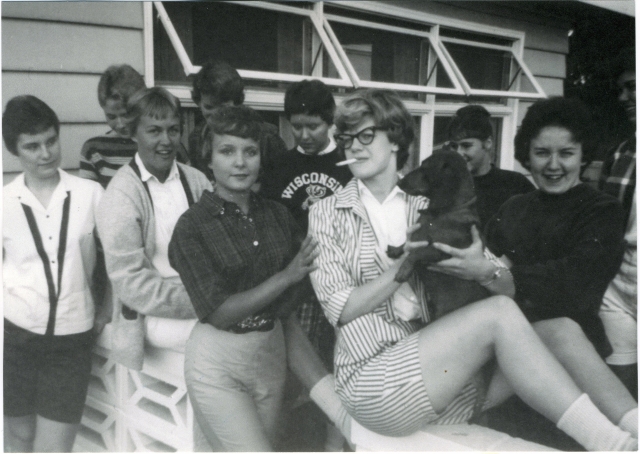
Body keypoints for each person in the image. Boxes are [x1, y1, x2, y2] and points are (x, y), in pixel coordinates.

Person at [309, 89, 638, 451]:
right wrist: (404, 265)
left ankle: (635, 429)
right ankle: (613, 445)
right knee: (497, 313)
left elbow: (487, 268)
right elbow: (339, 309)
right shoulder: (327, 211)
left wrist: (484, 268)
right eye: (344, 138)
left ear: (396, 140)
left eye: (365, 135)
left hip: (449, 389)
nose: (352, 147)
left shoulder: (430, 200)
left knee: (560, 330)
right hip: (377, 384)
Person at [168, 105, 319, 451]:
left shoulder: (278, 215)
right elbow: (218, 311)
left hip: (269, 357)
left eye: (250, 152)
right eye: (227, 151)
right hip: (217, 363)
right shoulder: (192, 226)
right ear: (208, 159)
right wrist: (285, 277)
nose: (240, 162)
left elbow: (301, 286)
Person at [3, 95, 108, 452]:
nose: (45, 153)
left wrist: (105, 308)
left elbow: (114, 261)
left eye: (51, 141)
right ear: (14, 150)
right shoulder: (3, 204)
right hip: (16, 337)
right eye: (32, 146)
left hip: (71, 340)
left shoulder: (90, 194)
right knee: (18, 438)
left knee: (54, 448)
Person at [260, 79, 352, 450]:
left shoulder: (346, 164)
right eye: (296, 126)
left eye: (312, 126)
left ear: (329, 121)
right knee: (292, 377)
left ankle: (334, 440)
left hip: (338, 281)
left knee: (338, 368)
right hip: (296, 282)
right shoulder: (281, 164)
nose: (304, 134)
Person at [96, 87, 212, 372]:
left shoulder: (196, 181)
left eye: (173, 130)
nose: (166, 141)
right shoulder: (122, 193)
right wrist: (201, 302)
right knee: (227, 340)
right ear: (134, 133)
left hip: (204, 302)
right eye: (154, 131)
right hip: (152, 314)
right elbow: (130, 283)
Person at [599, 47, 637, 398]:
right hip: (621, 279)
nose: (623, 97)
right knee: (621, 380)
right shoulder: (620, 152)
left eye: (632, 87)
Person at [188, 60, 287, 182]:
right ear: (198, 103)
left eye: (223, 107)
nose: (215, 114)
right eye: (208, 107)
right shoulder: (197, 138)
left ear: (237, 102)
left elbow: (281, 183)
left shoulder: (266, 137)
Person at [446, 104, 535, 228]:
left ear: (488, 143)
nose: (458, 153)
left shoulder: (515, 185)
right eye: (454, 146)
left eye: (466, 146)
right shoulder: (446, 185)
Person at [79, 64, 145, 187]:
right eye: (111, 117)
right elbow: (87, 200)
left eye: (126, 115)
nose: (120, 124)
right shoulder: (93, 149)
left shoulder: (163, 142)